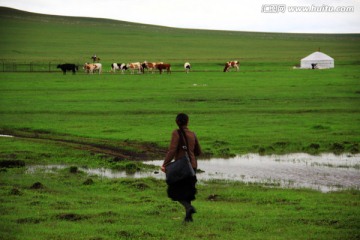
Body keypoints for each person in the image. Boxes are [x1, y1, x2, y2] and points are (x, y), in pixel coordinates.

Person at [161, 113, 202, 223]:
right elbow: (198, 151)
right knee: (188, 191)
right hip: (192, 166)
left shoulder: (176, 132)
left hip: (182, 167)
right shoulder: (192, 134)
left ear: (177, 122)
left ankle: (188, 208)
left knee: (173, 191)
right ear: (187, 121)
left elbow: (172, 150)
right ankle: (188, 218)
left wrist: (165, 164)